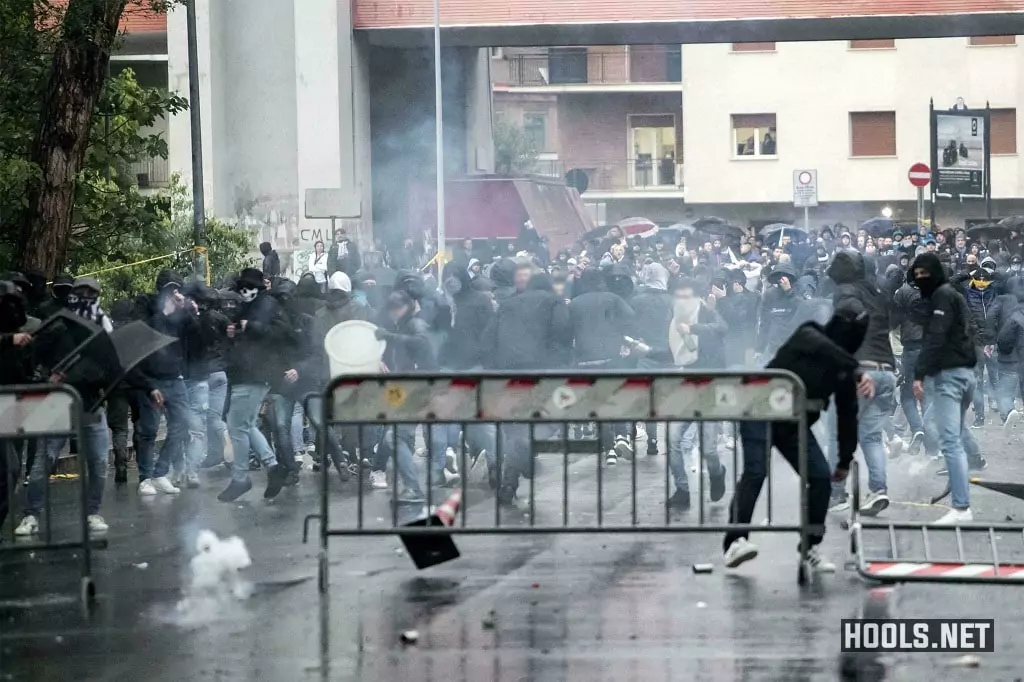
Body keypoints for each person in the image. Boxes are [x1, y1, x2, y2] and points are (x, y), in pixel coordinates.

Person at [722, 308, 871, 572]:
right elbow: (827, 348)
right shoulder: (809, 332)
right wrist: (856, 370)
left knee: (821, 478)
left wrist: (845, 460)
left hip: (794, 426)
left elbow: (848, 414)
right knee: (755, 472)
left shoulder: (844, 367)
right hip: (760, 411)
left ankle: (810, 545)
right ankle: (735, 541)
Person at [911, 252, 987, 525]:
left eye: (924, 274)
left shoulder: (943, 295)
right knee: (954, 431)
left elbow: (936, 335)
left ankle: (961, 506)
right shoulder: (950, 295)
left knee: (950, 440)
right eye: (917, 275)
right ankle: (964, 478)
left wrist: (919, 373)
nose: (921, 279)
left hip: (951, 376)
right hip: (966, 375)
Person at [828, 251, 897, 517]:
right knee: (871, 437)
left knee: (838, 434)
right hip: (887, 372)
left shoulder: (846, 292)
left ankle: (837, 496)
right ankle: (879, 490)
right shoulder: (878, 293)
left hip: (862, 373)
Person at [218, 268, 291, 502]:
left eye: (247, 286)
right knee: (245, 425)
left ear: (258, 288)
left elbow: (273, 334)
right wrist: (234, 330)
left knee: (237, 425)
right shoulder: (250, 306)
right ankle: (273, 467)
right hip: (247, 373)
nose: (243, 291)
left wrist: (246, 327)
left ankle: (241, 478)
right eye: (241, 287)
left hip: (253, 373)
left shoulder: (265, 304)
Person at [665, 278, 728, 510]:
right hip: (686, 388)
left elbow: (723, 329)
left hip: (709, 388)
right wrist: (646, 350)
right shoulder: (675, 321)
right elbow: (676, 352)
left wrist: (693, 328)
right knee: (673, 439)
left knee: (709, 450)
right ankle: (682, 490)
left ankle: (717, 473)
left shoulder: (707, 313)